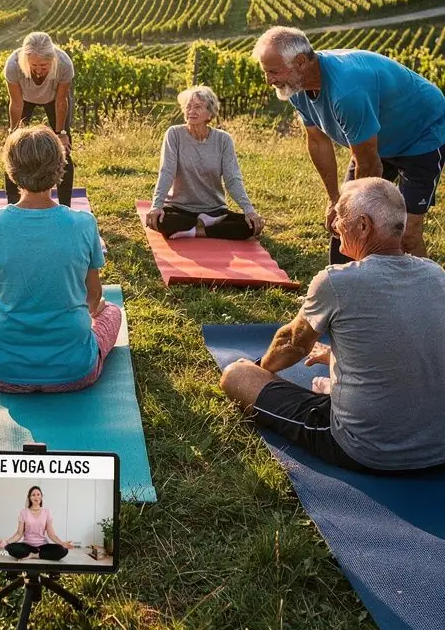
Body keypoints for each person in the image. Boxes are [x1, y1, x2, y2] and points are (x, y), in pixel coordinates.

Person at [219, 178, 445, 473]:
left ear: (363, 226)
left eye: (341, 216)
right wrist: (339, 359)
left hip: (367, 449)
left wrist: (260, 370)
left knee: (236, 375)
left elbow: (292, 344)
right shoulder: (435, 274)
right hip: (438, 447)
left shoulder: (337, 282)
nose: (334, 224)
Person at [252, 26, 445, 261]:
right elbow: (317, 141)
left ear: (300, 62)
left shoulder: (346, 92)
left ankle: (423, 293)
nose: (268, 80)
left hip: (421, 136)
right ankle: (344, 289)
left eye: (273, 71)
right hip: (376, 140)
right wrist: (335, 200)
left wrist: (349, 207)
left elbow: (370, 165)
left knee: (406, 234)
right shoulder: (296, 86)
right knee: (342, 221)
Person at [0, 124, 121, 392]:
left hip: (1, 372)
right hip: (75, 371)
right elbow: (93, 298)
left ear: (12, 170)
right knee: (112, 311)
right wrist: (96, 309)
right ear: (60, 167)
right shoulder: (84, 223)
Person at [144, 85, 264, 240]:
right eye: (188, 107)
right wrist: (156, 206)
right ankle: (208, 227)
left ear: (209, 113)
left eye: (198, 107)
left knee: (252, 226)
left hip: (214, 210)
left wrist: (249, 210)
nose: (191, 111)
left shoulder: (223, 140)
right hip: (180, 208)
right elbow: (167, 171)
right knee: (162, 221)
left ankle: (196, 230)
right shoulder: (174, 134)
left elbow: (232, 179)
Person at [3, 32, 75, 206]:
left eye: (44, 65)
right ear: (25, 60)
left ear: (52, 59)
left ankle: (65, 205)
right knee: (14, 149)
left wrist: (61, 133)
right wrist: (13, 132)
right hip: (25, 99)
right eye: (34, 65)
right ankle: (13, 203)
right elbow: (16, 103)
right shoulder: (13, 65)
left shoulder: (64, 64)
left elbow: (61, 101)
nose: (39, 69)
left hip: (54, 99)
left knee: (64, 150)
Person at [0, 486, 74, 560]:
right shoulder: (24, 512)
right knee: (10, 547)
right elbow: (19, 534)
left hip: (43, 546)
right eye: (33, 495)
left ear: (41, 496)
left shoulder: (47, 512)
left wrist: (62, 543)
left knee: (63, 550)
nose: (36, 497)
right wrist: (6, 542)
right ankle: (40, 555)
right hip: (27, 545)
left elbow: (51, 534)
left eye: (38, 494)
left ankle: (33, 555)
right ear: (29, 498)